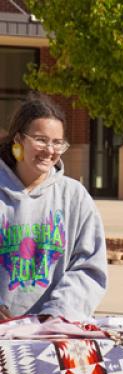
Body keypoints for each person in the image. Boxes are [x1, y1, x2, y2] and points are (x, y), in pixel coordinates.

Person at [0, 93, 107, 321]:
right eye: (40, 139)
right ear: (18, 140)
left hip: (54, 331)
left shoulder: (74, 196)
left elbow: (89, 267)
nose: (50, 150)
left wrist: (57, 313)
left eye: (57, 142)